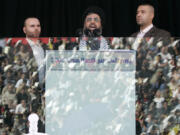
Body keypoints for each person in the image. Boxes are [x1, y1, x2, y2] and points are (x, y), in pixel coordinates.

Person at [23, 17, 48, 87]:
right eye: (32, 26)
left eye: (38, 26)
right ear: (25, 30)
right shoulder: (25, 46)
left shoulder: (42, 47)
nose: (36, 28)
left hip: (42, 78)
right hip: (31, 77)